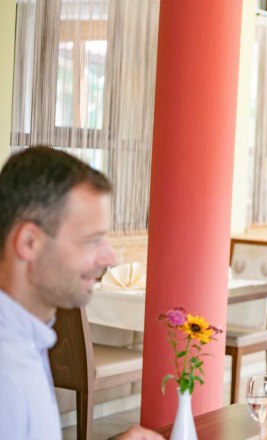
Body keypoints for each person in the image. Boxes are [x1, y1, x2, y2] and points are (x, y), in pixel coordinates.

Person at [0, 147, 163, 439]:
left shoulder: (26, 337)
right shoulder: (6, 371)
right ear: (29, 242)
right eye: (93, 240)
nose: (109, 258)